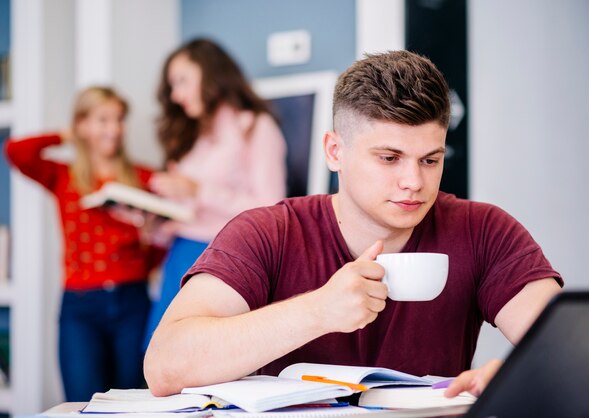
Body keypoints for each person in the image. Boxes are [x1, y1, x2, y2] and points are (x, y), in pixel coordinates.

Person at [144, 50, 563, 398]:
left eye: (430, 160)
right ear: (334, 151)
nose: (413, 182)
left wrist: (518, 380)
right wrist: (316, 312)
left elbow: (579, 352)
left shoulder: (483, 230)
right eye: (389, 158)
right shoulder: (267, 232)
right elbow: (165, 366)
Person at [4, 86, 163, 401]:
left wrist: (148, 242)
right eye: (103, 120)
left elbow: (162, 241)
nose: (114, 129)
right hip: (80, 306)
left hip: (133, 301)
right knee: (81, 402)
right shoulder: (64, 176)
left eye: (119, 119)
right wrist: (67, 135)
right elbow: (16, 151)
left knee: (135, 402)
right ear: (82, 124)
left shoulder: (144, 176)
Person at [143, 38, 287, 347]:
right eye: (172, 86)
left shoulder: (255, 127)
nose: (176, 95)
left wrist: (199, 190)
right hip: (180, 256)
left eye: (182, 81)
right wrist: (155, 222)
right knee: (161, 360)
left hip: (227, 257)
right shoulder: (191, 137)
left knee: (209, 357)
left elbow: (270, 208)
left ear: (210, 74)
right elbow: (188, 215)